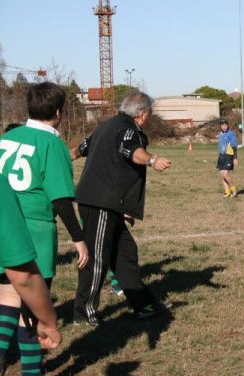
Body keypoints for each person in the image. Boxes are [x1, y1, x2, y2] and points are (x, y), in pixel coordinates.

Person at [0, 82, 87, 376]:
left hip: (2, 224)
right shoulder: (52, 144)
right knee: (33, 308)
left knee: (7, 297)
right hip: (32, 229)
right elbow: (62, 198)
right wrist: (79, 239)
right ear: (59, 112)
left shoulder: (8, 137)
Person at [71, 91, 172, 325]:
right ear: (141, 114)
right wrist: (152, 159)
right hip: (101, 203)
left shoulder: (105, 126)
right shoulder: (127, 129)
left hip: (109, 203)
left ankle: (144, 305)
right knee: (97, 259)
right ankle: (83, 314)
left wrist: (67, 158)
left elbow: (80, 150)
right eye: (148, 115)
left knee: (126, 254)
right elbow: (131, 150)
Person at [0, 175, 62, 376]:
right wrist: (48, 321)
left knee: (7, 291)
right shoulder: (49, 144)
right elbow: (23, 276)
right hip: (35, 226)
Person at [216, 119, 238, 198]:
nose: (224, 127)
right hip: (222, 156)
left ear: (228, 125)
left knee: (225, 174)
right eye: (222, 125)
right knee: (222, 175)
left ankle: (233, 189)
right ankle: (227, 192)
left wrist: (235, 157)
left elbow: (234, 146)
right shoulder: (220, 134)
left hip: (229, 156)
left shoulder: (231, 134)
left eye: (225, 125)